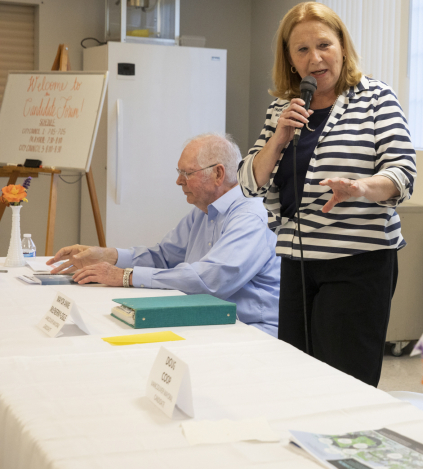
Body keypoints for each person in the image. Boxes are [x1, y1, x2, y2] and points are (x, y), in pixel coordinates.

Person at [238, 2, 416, 386]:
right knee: (296, 379)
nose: (315, 58)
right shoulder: (282, 110)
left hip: (358, 263)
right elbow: (250, 182)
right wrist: (279, 136)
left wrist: (361, 188)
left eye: (324, 45)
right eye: (302, 50)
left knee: (344, 381)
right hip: (298, 261)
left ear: (342, 46)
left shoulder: (376, 99)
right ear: (289, 59)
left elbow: (402, 174)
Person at [47, 133, 280, 337]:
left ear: (218, 174)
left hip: (249, 329)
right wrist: (107, 256)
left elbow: (210, 281)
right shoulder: (203, 211)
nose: (178, 181)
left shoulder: (250, 216)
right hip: (209, 318)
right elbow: (163, 255)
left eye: (187, 173)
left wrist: (126, 276)